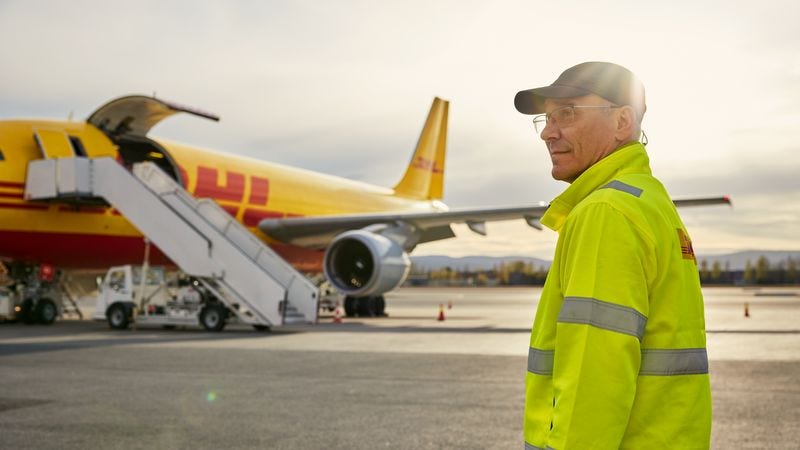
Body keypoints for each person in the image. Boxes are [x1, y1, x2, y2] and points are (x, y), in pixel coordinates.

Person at [514, 62, 712, 449]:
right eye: (546, 119)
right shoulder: (649, 202)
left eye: (567, 115)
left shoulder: (606, 212)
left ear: (622, 122)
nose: (549, 133)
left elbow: (595, 376)